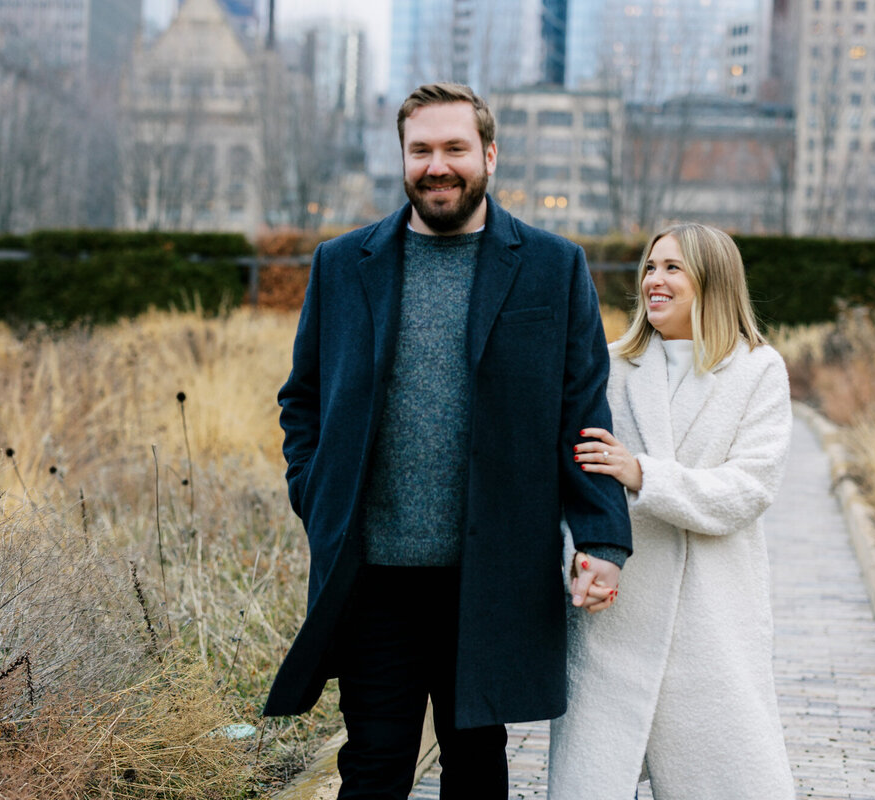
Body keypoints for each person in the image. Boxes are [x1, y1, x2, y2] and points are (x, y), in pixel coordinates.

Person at [262, 83, 632, 800]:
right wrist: (316, 496)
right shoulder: (343, 265)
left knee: (476, 767)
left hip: (492, 574)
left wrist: (602, 541)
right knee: (372, 766)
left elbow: (581, 417)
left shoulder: (553, 267)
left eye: (455, 148)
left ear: (488, 155)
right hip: (373, 576)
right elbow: (301, 399)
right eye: (421, 150)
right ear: (402, 159)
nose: (438, 166)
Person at [548, 222, 795, 800]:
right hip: (616, 615)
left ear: (713, 280)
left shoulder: (758, 370)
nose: (654, 280)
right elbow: (570, 484)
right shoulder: (607, 366)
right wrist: (579, 561)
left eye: (673, 268)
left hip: (712, 622)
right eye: (650, 267)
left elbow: (750, 487)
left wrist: (644, 474)